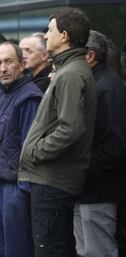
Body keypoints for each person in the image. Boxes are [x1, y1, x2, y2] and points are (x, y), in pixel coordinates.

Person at [19, 8, 97, 257]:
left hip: (53, 181)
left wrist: (35, 152)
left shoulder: (71, 74)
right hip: (52, 180)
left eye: (49, 30)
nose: (45, 35)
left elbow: (70, 128)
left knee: (50, 250)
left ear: (64, 36)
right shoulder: (68, 71)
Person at [0, 42, 42, 257]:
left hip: (15, 189)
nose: (3, 68)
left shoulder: (29, 98)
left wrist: (24, 192)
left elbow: (30, 148)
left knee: (16, 250)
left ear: (21, 65)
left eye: (8, 62)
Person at [73, 30, 126, 257]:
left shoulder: (107, 87)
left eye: (73, 55)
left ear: (90, 56)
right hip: (86, 189)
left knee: (97, 252)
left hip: (98, 192)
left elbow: (114, 145)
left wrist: (83, 173)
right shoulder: (95, 83)